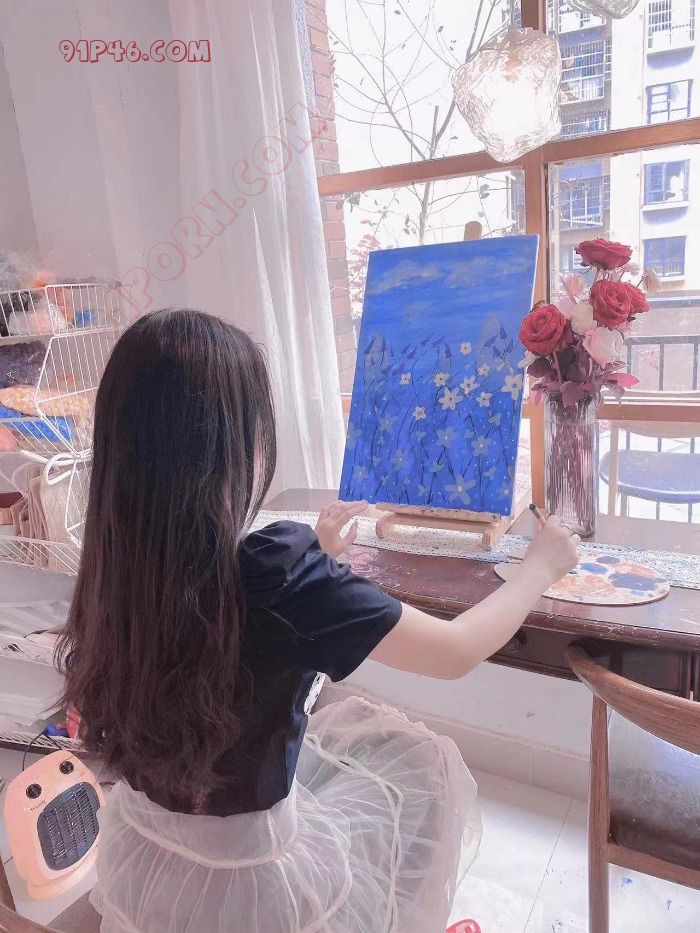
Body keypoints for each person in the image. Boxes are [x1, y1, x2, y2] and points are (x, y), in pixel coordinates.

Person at [57, 308, 579, 933]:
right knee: (422, 764)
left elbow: (232, 632)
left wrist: (321, 560)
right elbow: (455, 650)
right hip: (248, 891)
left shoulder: (118, 564)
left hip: (141, 859)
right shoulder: (275, 573)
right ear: (236, 446)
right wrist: (539, 569)